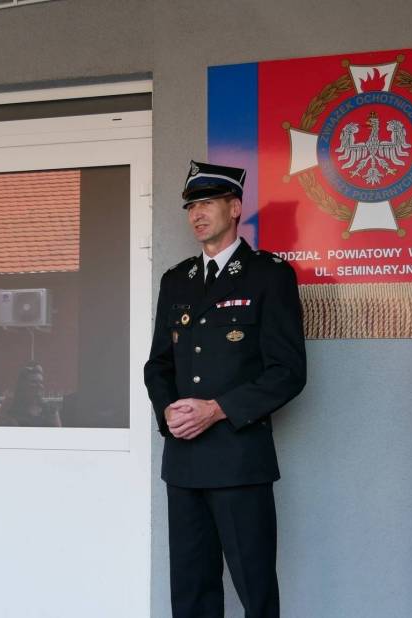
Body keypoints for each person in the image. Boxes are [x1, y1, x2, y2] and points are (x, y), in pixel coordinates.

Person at [144, 161, 306, 617]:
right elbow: (158, 365)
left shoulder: (268, 275)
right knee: (191, 592)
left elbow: (288, 371)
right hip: (185, 463)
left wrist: (217, 409)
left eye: (208, 203)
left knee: (255, 591)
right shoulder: (176, 280)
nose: (196, 214)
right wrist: (168, 413)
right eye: (191, 206)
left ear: (235, 208)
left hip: (240, 461)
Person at [0, 363, 62, 427]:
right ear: (23, 385)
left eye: (41, 382)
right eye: (34, 382)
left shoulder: (50, 410)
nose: (39, 386)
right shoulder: (12, 409)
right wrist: (4, 409)